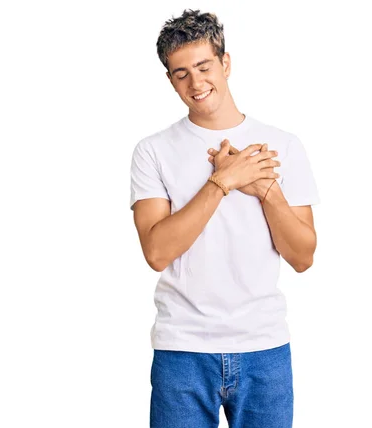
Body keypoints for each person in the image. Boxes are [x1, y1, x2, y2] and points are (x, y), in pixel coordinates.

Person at [129, 9, 320, 428]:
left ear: (225, 62)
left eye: (204, 66)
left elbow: (303, 256)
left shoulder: (283, 147)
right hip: (182, 351)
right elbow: (157, 252)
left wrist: (264, 187)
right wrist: (222, 182)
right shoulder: (153, 151)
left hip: (264, 349)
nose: (196, 83)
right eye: (181, 74)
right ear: (170, 79)